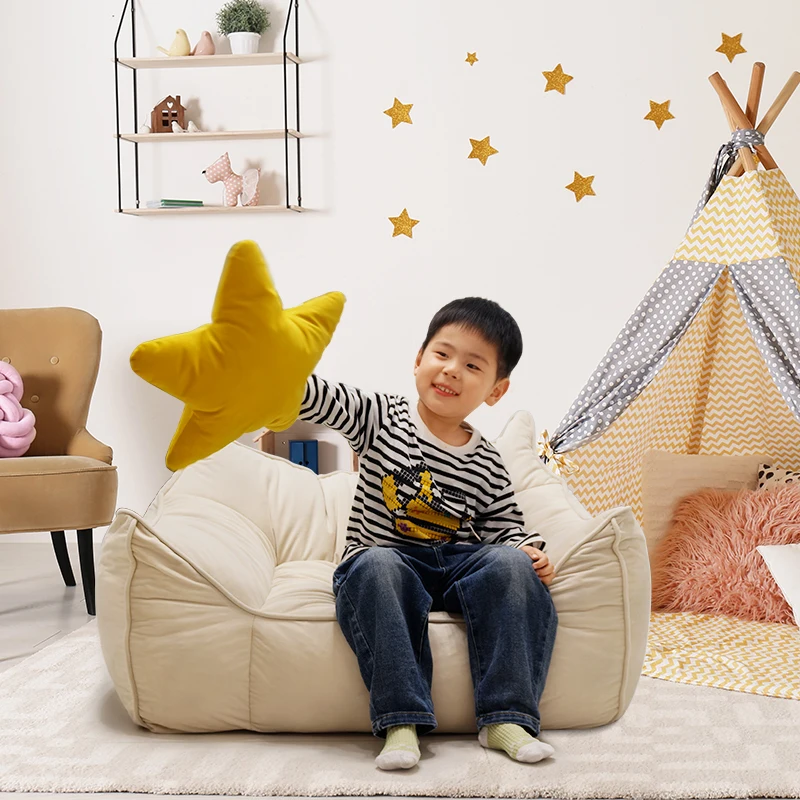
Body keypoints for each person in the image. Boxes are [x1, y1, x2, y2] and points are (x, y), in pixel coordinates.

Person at [298, 297, 558, 770]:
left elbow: (506, 527)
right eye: (442, 354)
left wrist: (528, 551)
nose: (452, 370)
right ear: (418, 360)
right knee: (375, 563)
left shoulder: (487, 461)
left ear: (495, 391)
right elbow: (316, 396)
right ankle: (401, 723)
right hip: (388, 558)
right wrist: (278, 372)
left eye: (472, 365)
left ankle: (506, 718)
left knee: (512, 564)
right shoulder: (380, 417)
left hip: (455, 563)